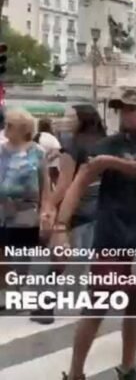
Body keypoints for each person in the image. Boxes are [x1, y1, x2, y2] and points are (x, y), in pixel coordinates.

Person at [53, 89, 136, 380]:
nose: (124, 114)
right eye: (121, 109)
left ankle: (127, 366)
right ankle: (75, 373)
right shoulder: (106, 144)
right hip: (112, 238)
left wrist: (112, 163)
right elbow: (79, 182)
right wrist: (61, 226)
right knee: (96, 305)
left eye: (131, 109)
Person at [0, 109, 56, 320]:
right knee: (4, 257)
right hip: (2, 211)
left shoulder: (37, 151)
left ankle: (20, 293)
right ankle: (8, 294)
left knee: (21, 256)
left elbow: (45, 184)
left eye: (10, 125)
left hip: (26, 212)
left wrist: (46, 210)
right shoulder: (1, 149)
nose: (6, 128)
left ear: (22, 129)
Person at [53, 105, 107, 252]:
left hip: (80, 210)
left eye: (71, 117)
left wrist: (48, 205)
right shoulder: (107, 141)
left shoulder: (73, 146)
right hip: (106, 209)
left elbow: (64, 185)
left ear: (82, 120)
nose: (67, 120)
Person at [34, 117, 62, 185]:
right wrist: (48, 159)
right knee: (56, 187)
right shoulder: (52, 138)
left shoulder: (36, 137)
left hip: (39, 168)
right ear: (49, 127)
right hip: (52, 167)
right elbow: (57, 152)